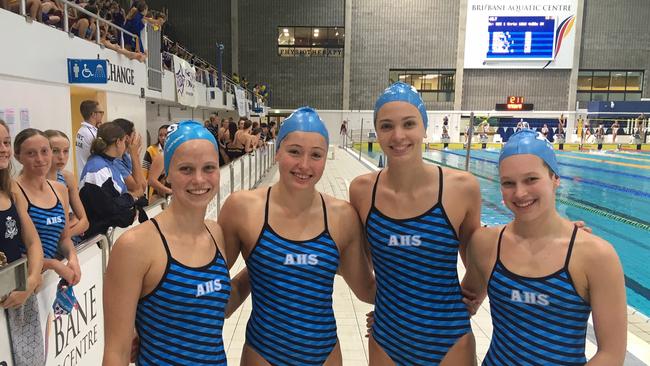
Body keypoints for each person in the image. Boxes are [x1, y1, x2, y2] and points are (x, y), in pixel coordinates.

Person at [219, 107, 376, 365]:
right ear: (277, 151)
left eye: (316, 155)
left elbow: (366, 289)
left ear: (326, 157)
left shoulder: (342, 216)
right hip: (262, 353)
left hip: (324, 353)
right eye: (294, 152)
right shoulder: (242, 209)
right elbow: (206, 279)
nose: (304, 165)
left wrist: (440, 297)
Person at [463, 129, 627, 365]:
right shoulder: (486, 243)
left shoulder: (596, 256)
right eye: (508, 183)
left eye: (531, 179)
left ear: (555, 178)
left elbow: (611, 354)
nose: (520, 193)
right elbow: (465, 302)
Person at [349, 81, 480, 365]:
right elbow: (359, 261)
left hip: (450, 337)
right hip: (387, 338)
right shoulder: (362, 191)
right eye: (386, 126)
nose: (398, 136)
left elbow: (480, 260)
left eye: (409, 124)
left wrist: (473, 298)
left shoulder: (461, 187)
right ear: (377, 131)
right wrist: (392, 306)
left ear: (424, 126)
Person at [103, 121, 250, 365]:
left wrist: (260, 266)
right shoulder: (136, 246)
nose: (199, 179)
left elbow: (220, 309)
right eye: (186, 169)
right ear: (167, 173)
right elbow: (116, 353)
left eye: (209, 168)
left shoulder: (215, 233)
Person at [0, 120, 45, 366]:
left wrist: (31, 280)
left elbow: (33, 243)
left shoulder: (11, 192)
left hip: (18, 300)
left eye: (6, 142)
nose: (3, 149)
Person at [14, 128, 81, 284]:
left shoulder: (60, 190)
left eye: (45, 151)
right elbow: (14, 253)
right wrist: (54, 264)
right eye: (31, 153)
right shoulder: (15, 191)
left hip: (46, 280)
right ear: (18, 157)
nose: (40, 159)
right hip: (23, 280)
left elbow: (64, 238)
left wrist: (73, 258)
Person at [79, 122, 144, 239]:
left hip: (112, 234)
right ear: (118, 142)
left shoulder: (110, 162)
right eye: (125, 141)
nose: (126, 146)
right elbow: (108, 209)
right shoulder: (96, 169)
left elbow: (136, 190)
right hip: (99, 239)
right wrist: (131, 198)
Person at [44, 130, 89, 240]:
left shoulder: (67, 178)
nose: (61, 157)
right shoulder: (33, 182)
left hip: (67, 242)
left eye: (66, 151)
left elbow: (85, 222)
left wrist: (66, 233)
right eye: (55, 151)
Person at [113, 118, 147, 197]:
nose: (136, 139)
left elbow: (143, 185)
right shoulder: (115, 161)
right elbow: (137, 187)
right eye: (134, 135)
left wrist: (136, 156)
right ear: (127, 138)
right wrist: (134, 155)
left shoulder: (125, 156)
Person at [75, 99, 104, 177]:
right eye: (101, 112)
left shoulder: (82, 130)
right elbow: (103, 155)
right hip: (91, 177)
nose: (102, 115)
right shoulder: (91, 133)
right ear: (93, 114)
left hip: (84, 175)